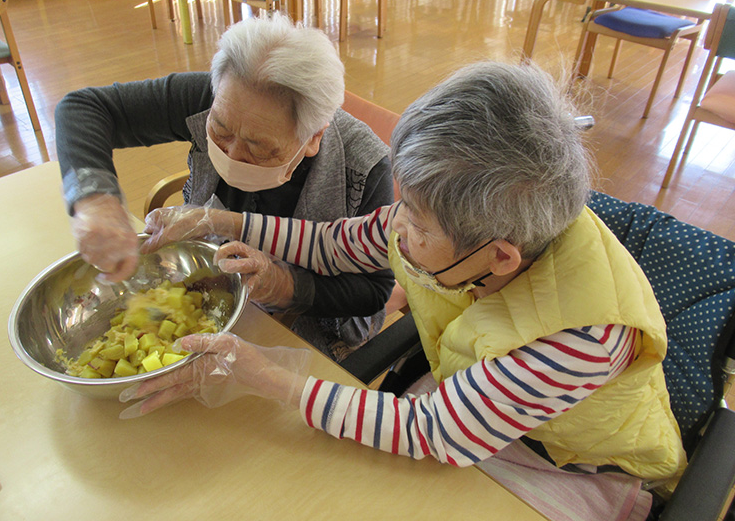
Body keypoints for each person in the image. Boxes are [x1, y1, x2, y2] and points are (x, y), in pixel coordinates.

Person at [120, 61, 687, 505]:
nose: (397, 224)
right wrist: (220, 221)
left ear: (501, 257)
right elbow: (335, 244)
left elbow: (433, 433)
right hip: (475, 402)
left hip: (570, 462)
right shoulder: (462, 225)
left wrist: (268, 376)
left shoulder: (581, 340)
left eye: (415, 220)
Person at [55, 14, 395, 361]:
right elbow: (84, 108)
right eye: (219, 131)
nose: (231, 155)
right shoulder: (225, 94)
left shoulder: (364, 168)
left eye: (258, 148)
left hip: (306, 326)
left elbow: (371, 291)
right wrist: (95, 199)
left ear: (314, 138)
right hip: (212, 286)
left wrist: (282, 285)